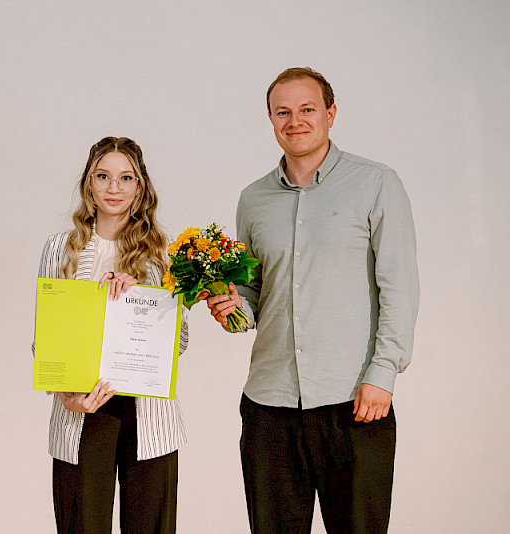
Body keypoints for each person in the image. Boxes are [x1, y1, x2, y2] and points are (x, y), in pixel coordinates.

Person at [204, 68, 419, 533]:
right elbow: (254, 297)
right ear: (271, 119)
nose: (295, 120)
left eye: (307, 109)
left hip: (355, 402)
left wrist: (383, 375)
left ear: (330, 114)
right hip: (268, 407)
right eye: (283, 111)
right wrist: (230, 310)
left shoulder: (377, 183)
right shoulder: (252, 199)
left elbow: (400, 288)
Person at [37, 137, 189, 533]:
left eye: (126, 178)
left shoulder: (163, 254)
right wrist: (67, 397)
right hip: (82, 411)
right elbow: (45, 340)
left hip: (148, 417)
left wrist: (140, 295)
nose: (114, 188)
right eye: (103, 176)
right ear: (89, 184)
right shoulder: (60, 249)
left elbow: (181, 342)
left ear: (140, 186)